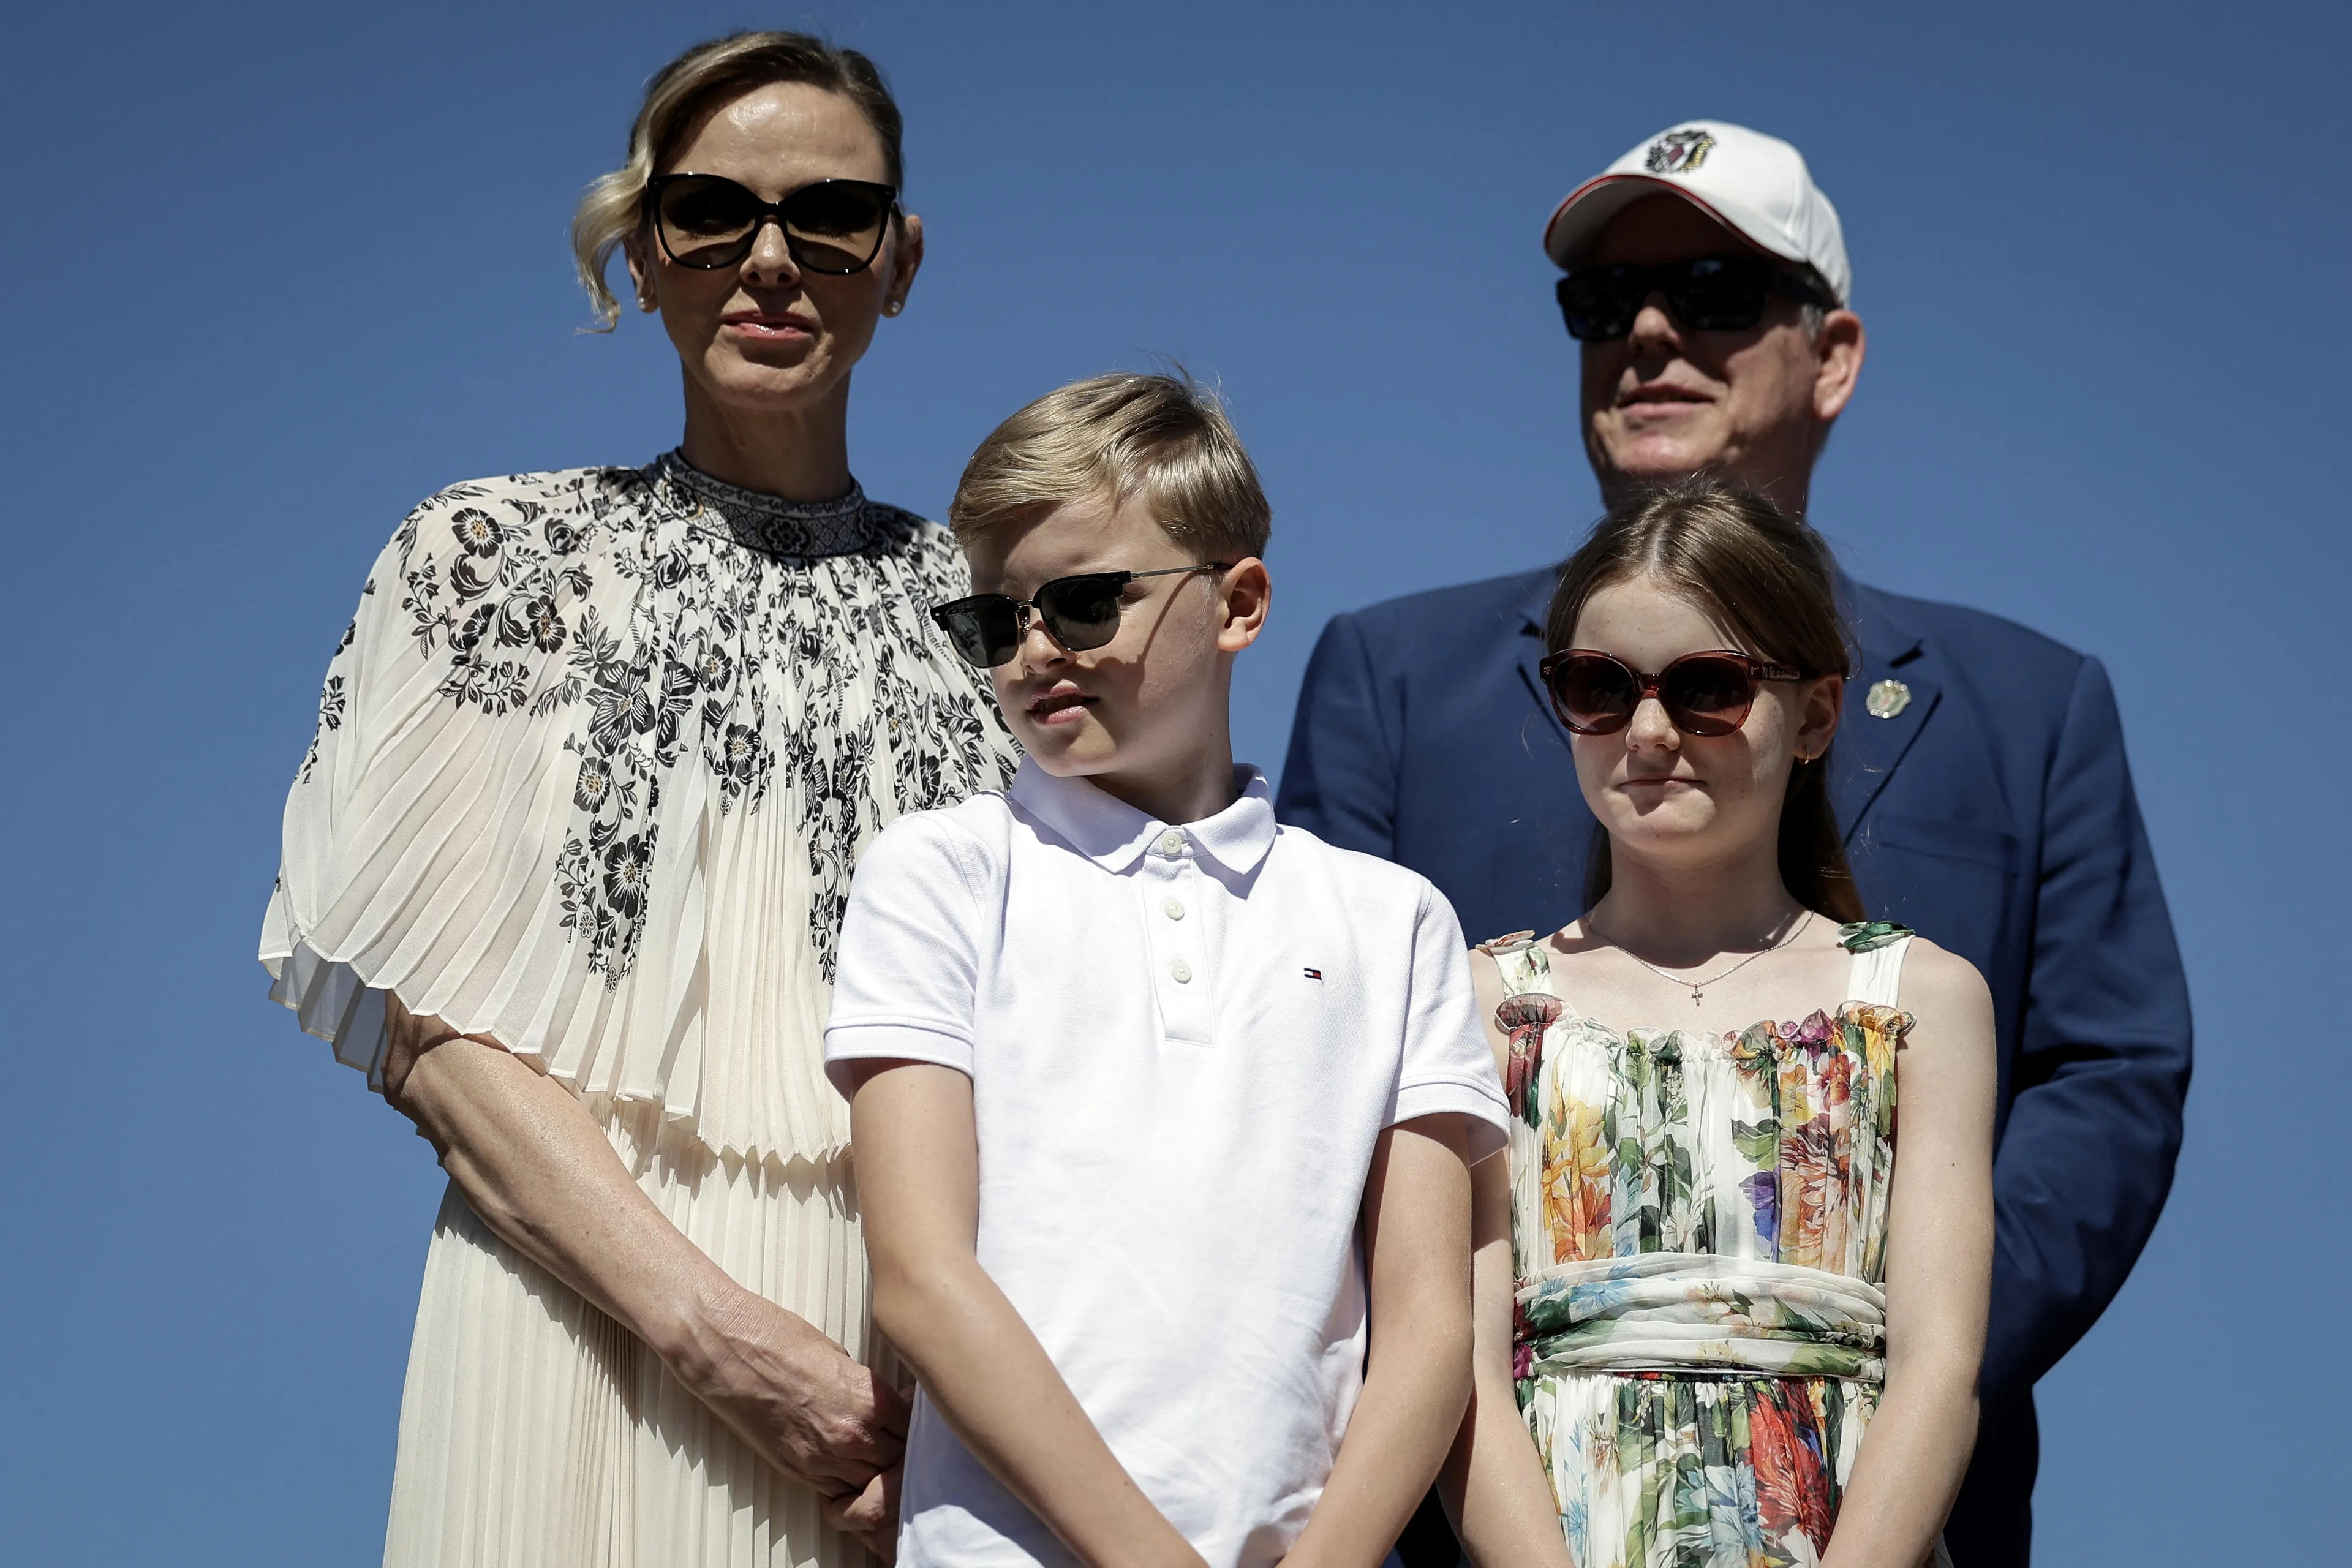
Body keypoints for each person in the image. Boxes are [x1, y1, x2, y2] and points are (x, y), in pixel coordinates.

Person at [1278, 121, 2190, 1564]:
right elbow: (1313, 1083)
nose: (1648, 333)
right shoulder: (1393, 681)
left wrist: (1885, 1341)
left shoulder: (2029, 706)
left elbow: (2108, 1081)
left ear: (1834, 355)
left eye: (1712, 292)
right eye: (1604, 303)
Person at [258, 31, 1019, 1566]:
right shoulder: (491, 562)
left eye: (832, 215)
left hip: (914, 1405)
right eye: (712, 213)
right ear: (645, 251)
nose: (771, 261)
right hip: (566, 1340)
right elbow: (437, 1044)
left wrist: (949, 1403)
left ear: (902, 260)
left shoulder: (1002, 623)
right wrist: (730, 1344)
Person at [822, 372, 1512, 1568]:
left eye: (1086, 602)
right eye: (994, 621)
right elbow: (923, 1281)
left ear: (1238, 602)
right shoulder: (939, 874)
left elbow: (1430, 1329)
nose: (1036, 651)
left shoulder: (1394, 923)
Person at [1444, 477, 1993, 1567]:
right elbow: (1456, 1367)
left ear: (1817, 716)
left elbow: (1940, 1367)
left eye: (1708, 688)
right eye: (1599, 687)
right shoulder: (1481, 1001)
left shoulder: (1917, 1002)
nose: (1648, 731)